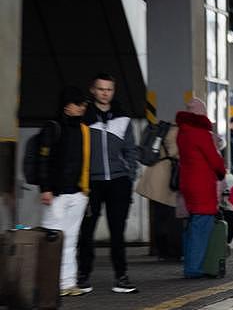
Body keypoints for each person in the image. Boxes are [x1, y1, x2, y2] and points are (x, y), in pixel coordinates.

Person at [78, 73, 138, 294]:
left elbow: (131, 150)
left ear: (113, 91)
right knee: (86, 231)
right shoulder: (84, 116)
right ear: (93, 90)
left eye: (109, 89)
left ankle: (121, 277)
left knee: (117, 232)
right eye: (101, 89)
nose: (105, 93)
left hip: (118, 181)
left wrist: (129, 175)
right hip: (91, 183)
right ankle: (82, 276)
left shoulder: (123, 118)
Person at [38, 86, 91, 296]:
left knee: (70, 239)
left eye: (84, 105)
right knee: (51, 239)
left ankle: (67, 283)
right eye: (79, 104)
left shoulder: (84, 129)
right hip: (56, 194)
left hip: (77, 193)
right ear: (67, 106)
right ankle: (48, 283)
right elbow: (44, 160)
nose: (82, 108)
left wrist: (85, 191)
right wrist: (46, 188)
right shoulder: (52, 128)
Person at [176, 98, 226, 278]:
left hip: (187, 183)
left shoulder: (182, 132)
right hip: (202, 185)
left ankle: (190, 264)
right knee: (200, 227)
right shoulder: (201, 133)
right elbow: (215, 160)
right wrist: (221, 171)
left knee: (191, 227)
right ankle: (193, 268)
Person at [135, 117, 182, 261]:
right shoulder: (177, 131)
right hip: (168, 175)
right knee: (172, 217)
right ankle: (172, 252)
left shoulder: (160, 128)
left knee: (159, 216)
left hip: (154, 173)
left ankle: (160, 250)